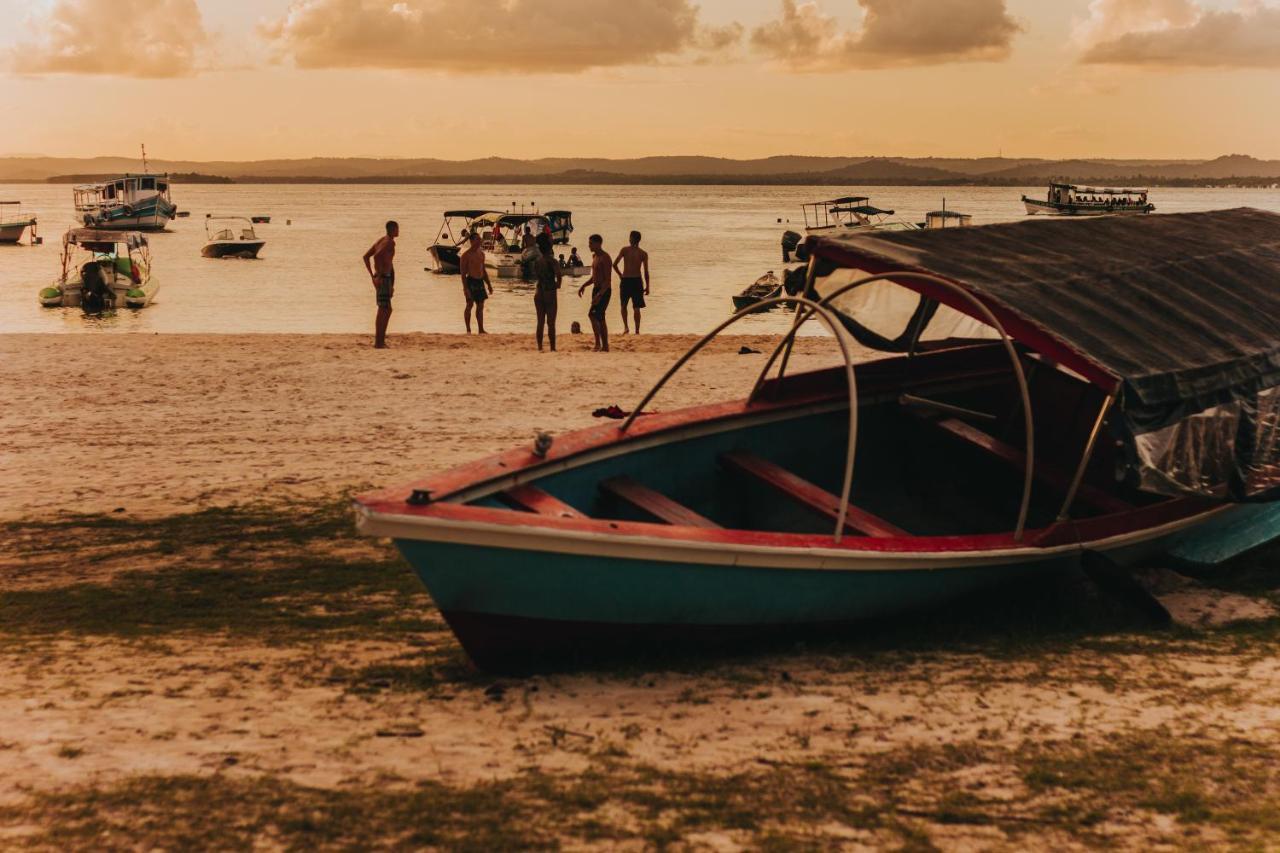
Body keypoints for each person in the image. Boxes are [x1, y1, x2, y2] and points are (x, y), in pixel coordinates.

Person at [362, 220, 398, 348]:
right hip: (383, 278)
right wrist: (379, 276)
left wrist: (373, 276)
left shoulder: (381, 240)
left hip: (382, 278)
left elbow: (366, 257)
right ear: (393, 229)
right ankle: (379, 342)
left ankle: (380, 341)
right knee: (385, 309)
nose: (398, 231)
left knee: (385, 309)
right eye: (397, 228)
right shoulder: (389, 242)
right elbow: (376, 256)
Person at [613, 230, 650, 334]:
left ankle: (626, 327)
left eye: (630, 237)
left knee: (624, 305)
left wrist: (621, 275)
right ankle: (637, 330)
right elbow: (646, 272)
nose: (629, 239)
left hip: (626, 280)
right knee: (636, 307)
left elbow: (614, 264)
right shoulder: (643, 253)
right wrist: (647, 286)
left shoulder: (625, 250)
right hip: (637, 281)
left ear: (632, 238)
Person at [579, 233, 611, 352]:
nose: (589, 245)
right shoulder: (595, 257)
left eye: (591, 243)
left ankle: (598, 343)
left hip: (604, 290)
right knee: (600, 317)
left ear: (598, 244)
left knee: (592, 315)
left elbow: (607, 280)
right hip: (596, 289)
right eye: (589, 243)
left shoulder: (605, 257)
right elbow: (594, 278)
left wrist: (599, 295)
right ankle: (605, 346)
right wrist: (584, 285)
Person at [458, 231, 493, 334]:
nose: (480, 241)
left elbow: (484, 270)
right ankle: (468, 330)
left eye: (480, 239)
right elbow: (463, 274)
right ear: (472, 241)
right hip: (471, 281)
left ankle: (481, 329)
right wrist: (465, 288)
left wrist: (489, 285)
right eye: (477, 239)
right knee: (469, 305)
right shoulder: (466, 255)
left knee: (480, 306)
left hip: (480, 281)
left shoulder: (481, 254)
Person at [532, 232, 562, 352]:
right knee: (551, 322)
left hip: (539, 290)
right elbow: (558, 275)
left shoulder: (538, 261)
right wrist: (558, 284)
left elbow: (536, 275)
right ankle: (552, 348)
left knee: (540, 321)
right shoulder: (553, 261)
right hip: (550, 290)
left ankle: (540, 347)